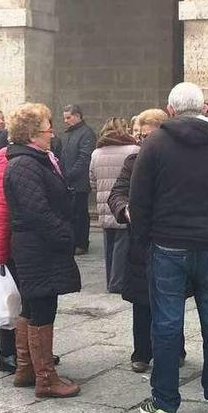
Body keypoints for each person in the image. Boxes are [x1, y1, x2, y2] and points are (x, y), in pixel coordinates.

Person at [131, 82, 208, 413]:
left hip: (168, 244)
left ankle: (165, 403)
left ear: (170, 110)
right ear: (203, 108)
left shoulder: (154, 143)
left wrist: (143, 239)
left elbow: (140, 199)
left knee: (167, 326)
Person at [3, 103, 81, 397]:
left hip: (36, 245)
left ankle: (26, 369)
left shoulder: (34, 159)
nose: (52, 133)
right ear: (33, 134)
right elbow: (37, 211)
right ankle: (46, 379)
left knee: (33, 305)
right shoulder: (25, 164)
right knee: (42, 307)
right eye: (48, 129)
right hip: (38, 246)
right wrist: (65, 235)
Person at [107, 108, 187, 374]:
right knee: (142, 300)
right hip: (141, 239)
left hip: (171, 237)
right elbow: (117, 193)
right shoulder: (133, 160)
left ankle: (175, 349)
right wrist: (125, 208)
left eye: (148, 135)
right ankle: (142, 351)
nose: (144, 141)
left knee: (171, 299)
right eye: (140, 136)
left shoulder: (178, 159)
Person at [0, 129, 62, 375]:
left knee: (28, 301)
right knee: (13, 299)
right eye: (45, 126)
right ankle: (9, 353)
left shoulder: (45, 156)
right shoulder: (7, 158)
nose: (51, 131)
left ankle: (31, 356)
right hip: (14, 239)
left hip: (28, 239)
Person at [90, 117, 139, 293]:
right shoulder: (133, 149)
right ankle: (117, 282)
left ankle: (110, 279)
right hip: (122, 202)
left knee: (109, 244)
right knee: (121, 245)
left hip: (104, 204)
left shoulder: (97, 152)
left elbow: (92, 180)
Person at [58, 104, 96, 255]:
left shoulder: (86, 133)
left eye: (68, 117)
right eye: (65, 118)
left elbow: (84, 158)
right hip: (67, 180)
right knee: (70, 213)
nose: (66, 121)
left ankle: (81, 243)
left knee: (80, 213)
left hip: (79, 182)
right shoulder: (67, 134)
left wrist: (69, 174)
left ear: (77, 116)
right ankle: (72, 241)